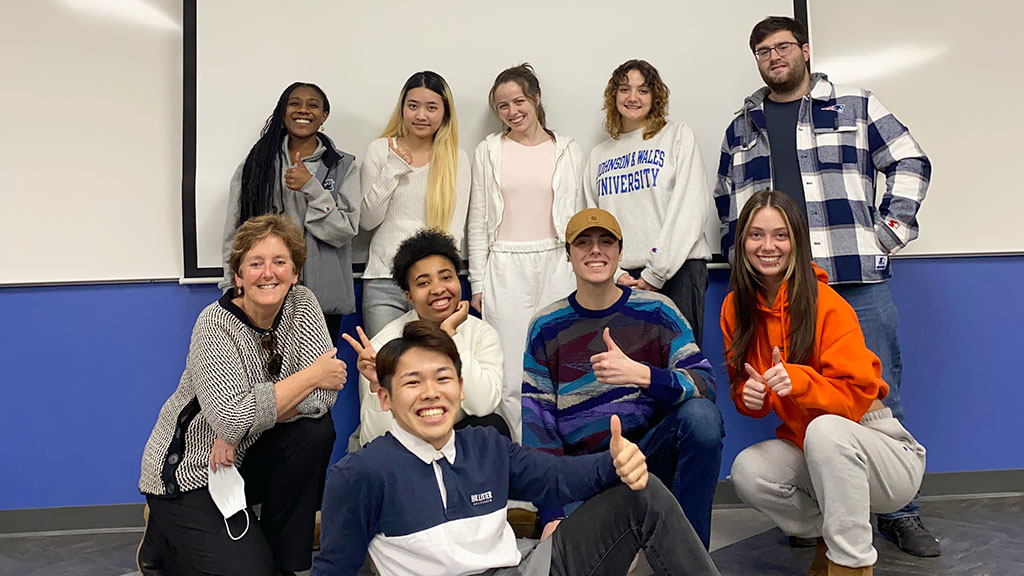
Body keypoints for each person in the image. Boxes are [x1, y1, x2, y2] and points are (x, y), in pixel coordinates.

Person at [712, 15, 938, 557]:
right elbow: (726, 202)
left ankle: (898, 513)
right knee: (802, 411)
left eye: (782, 46)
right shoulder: (742, 125)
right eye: (762, 51)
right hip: (776, 289)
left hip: (850, 279)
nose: (773, 57)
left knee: (875, 401)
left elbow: (910, 159)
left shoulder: (856, 104)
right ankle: (826, 522)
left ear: (805, 50)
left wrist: (886, 233)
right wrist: (742, 260)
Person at [313, 321, 720, 576]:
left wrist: (617, 462)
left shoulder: (486, 445)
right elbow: (335, 569)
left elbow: (559, 479)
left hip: (522, 569)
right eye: (412, 382)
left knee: (642, 495)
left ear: (460, 386)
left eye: (443, 378)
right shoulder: (361, 473)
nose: (431, 393)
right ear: (384, 398)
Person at [722, 190, 926, 576]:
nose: (768, 246)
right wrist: (749, 396)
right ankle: (828, 541)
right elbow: (749, 392)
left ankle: (851, 566)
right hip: (817, 454)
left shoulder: (827, 303)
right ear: (742, 242)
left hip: (883, 449)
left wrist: (798, 380)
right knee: (748, 470)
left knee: (826, 429)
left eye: (780, 235)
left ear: (797, 241)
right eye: (756, 235)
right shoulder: (736, 308)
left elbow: (856, 399)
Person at [139, 215, 346, 576]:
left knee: (315, 432)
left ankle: (287, 562)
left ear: (295, 272)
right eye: (256, 263)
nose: (269, 272)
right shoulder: (214, 323)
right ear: (238, 276)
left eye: (280, 262)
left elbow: (322, 401)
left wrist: (242, 425)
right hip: (192, 469)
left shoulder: (304, 303)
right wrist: (312, 375)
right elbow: (231, 418)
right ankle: (164, 541)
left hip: (242, 454)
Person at [522, 208, 724, 550]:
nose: (595, 250)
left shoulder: (658, 311)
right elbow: (537, 425)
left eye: (605, 241)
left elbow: (705, 383)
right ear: (568, 256)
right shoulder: (546, 326)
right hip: (584, 475)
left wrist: (643, 375)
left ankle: (688, 558)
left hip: (649, 461)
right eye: (583, 243)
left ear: (620, 251)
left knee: (701, 419)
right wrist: (554, 513)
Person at [468, 63, 586, 442]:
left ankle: (563, 461)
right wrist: (476, 281)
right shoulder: (489, 151)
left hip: (557, 264)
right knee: (512, 374)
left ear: (536, 99)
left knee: (562, 365)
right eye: (502, 106)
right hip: (504, 266)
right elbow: (478, 219)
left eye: (519, 101)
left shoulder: (567, 149)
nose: (512, 111)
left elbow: (581, 213)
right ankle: (525, 467)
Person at [220, 82, 361, 346]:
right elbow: (236, 230)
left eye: (313, 105)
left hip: (322, 299)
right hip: (265, 289)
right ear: (283, 111)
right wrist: (232, 283)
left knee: (319, 377)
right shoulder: (256, 163)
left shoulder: (343, 166)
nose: (303, 110)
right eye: (294, 103)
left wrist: (312, 188)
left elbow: (344, 230)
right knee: (266, 376)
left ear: (324, 116)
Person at [584, 59, 712, 346]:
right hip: (622, 280)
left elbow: (690, 208)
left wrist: (656, 273)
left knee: (680, 370)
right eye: (624, 89)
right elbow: (593, 219)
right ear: (613, 96)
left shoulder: (677, 136)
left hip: (677, 273)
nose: (632, 98)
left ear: (655, 96)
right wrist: (615, 273)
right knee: (627, 374)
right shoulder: (599, 155)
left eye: (643, 90)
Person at [345, 229, 504, 446]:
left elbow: (483, 406)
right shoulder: (382, 345)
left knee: (493, 426)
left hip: (454, 442)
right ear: (409, 296)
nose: (438, 289)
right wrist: (378, 387)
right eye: (423, 283)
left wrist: (449, 334)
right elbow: (375, 439)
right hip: (404, 449)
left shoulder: (481, 334)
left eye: (446, 277)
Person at [360, 71, 471, 337]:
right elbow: (367, 220)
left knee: (433, 364)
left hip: (432, 286)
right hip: (383, 280)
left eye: (431, 107)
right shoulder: (380, 149)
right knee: (386, 368)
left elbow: (454, 231)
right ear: (403, 109)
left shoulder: (457, 158)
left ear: (445, 113)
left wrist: (440, 281)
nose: (421, 115)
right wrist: (392, 170)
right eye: (413, 106)